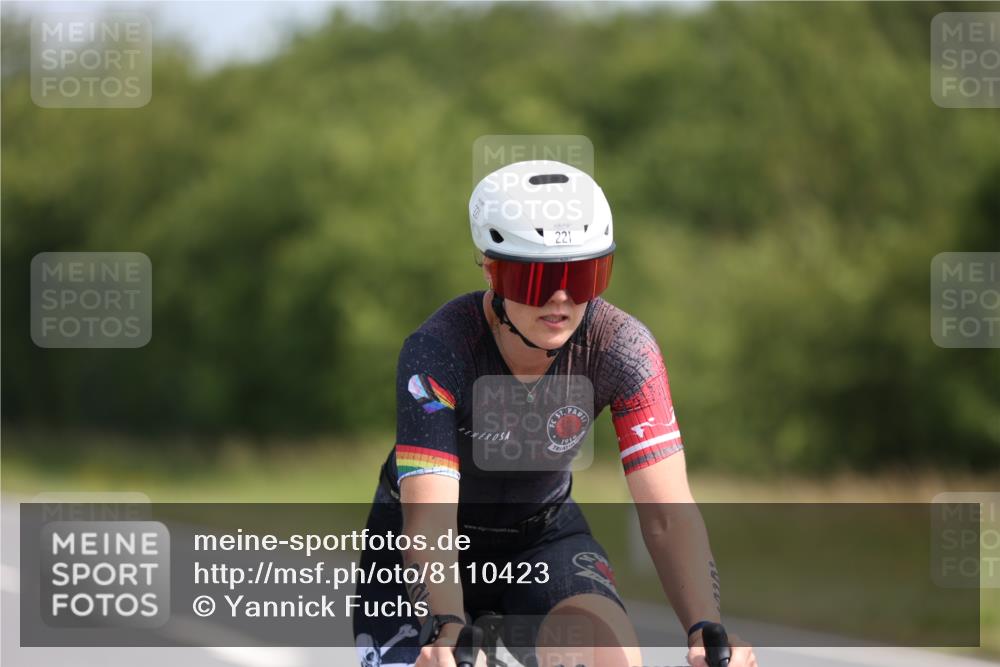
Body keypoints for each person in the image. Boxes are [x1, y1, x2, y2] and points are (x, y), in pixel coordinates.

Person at [353, 160, 758, 667]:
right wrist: (448, 626)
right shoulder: (438, 349)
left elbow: (666, 512)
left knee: (609, 653)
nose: (561, 299)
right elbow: (431, 515)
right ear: (490, 270)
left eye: (583, 275)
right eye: (534, 278)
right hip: (426, 540)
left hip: (541, 537)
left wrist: (706, 629)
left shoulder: (623, 349)